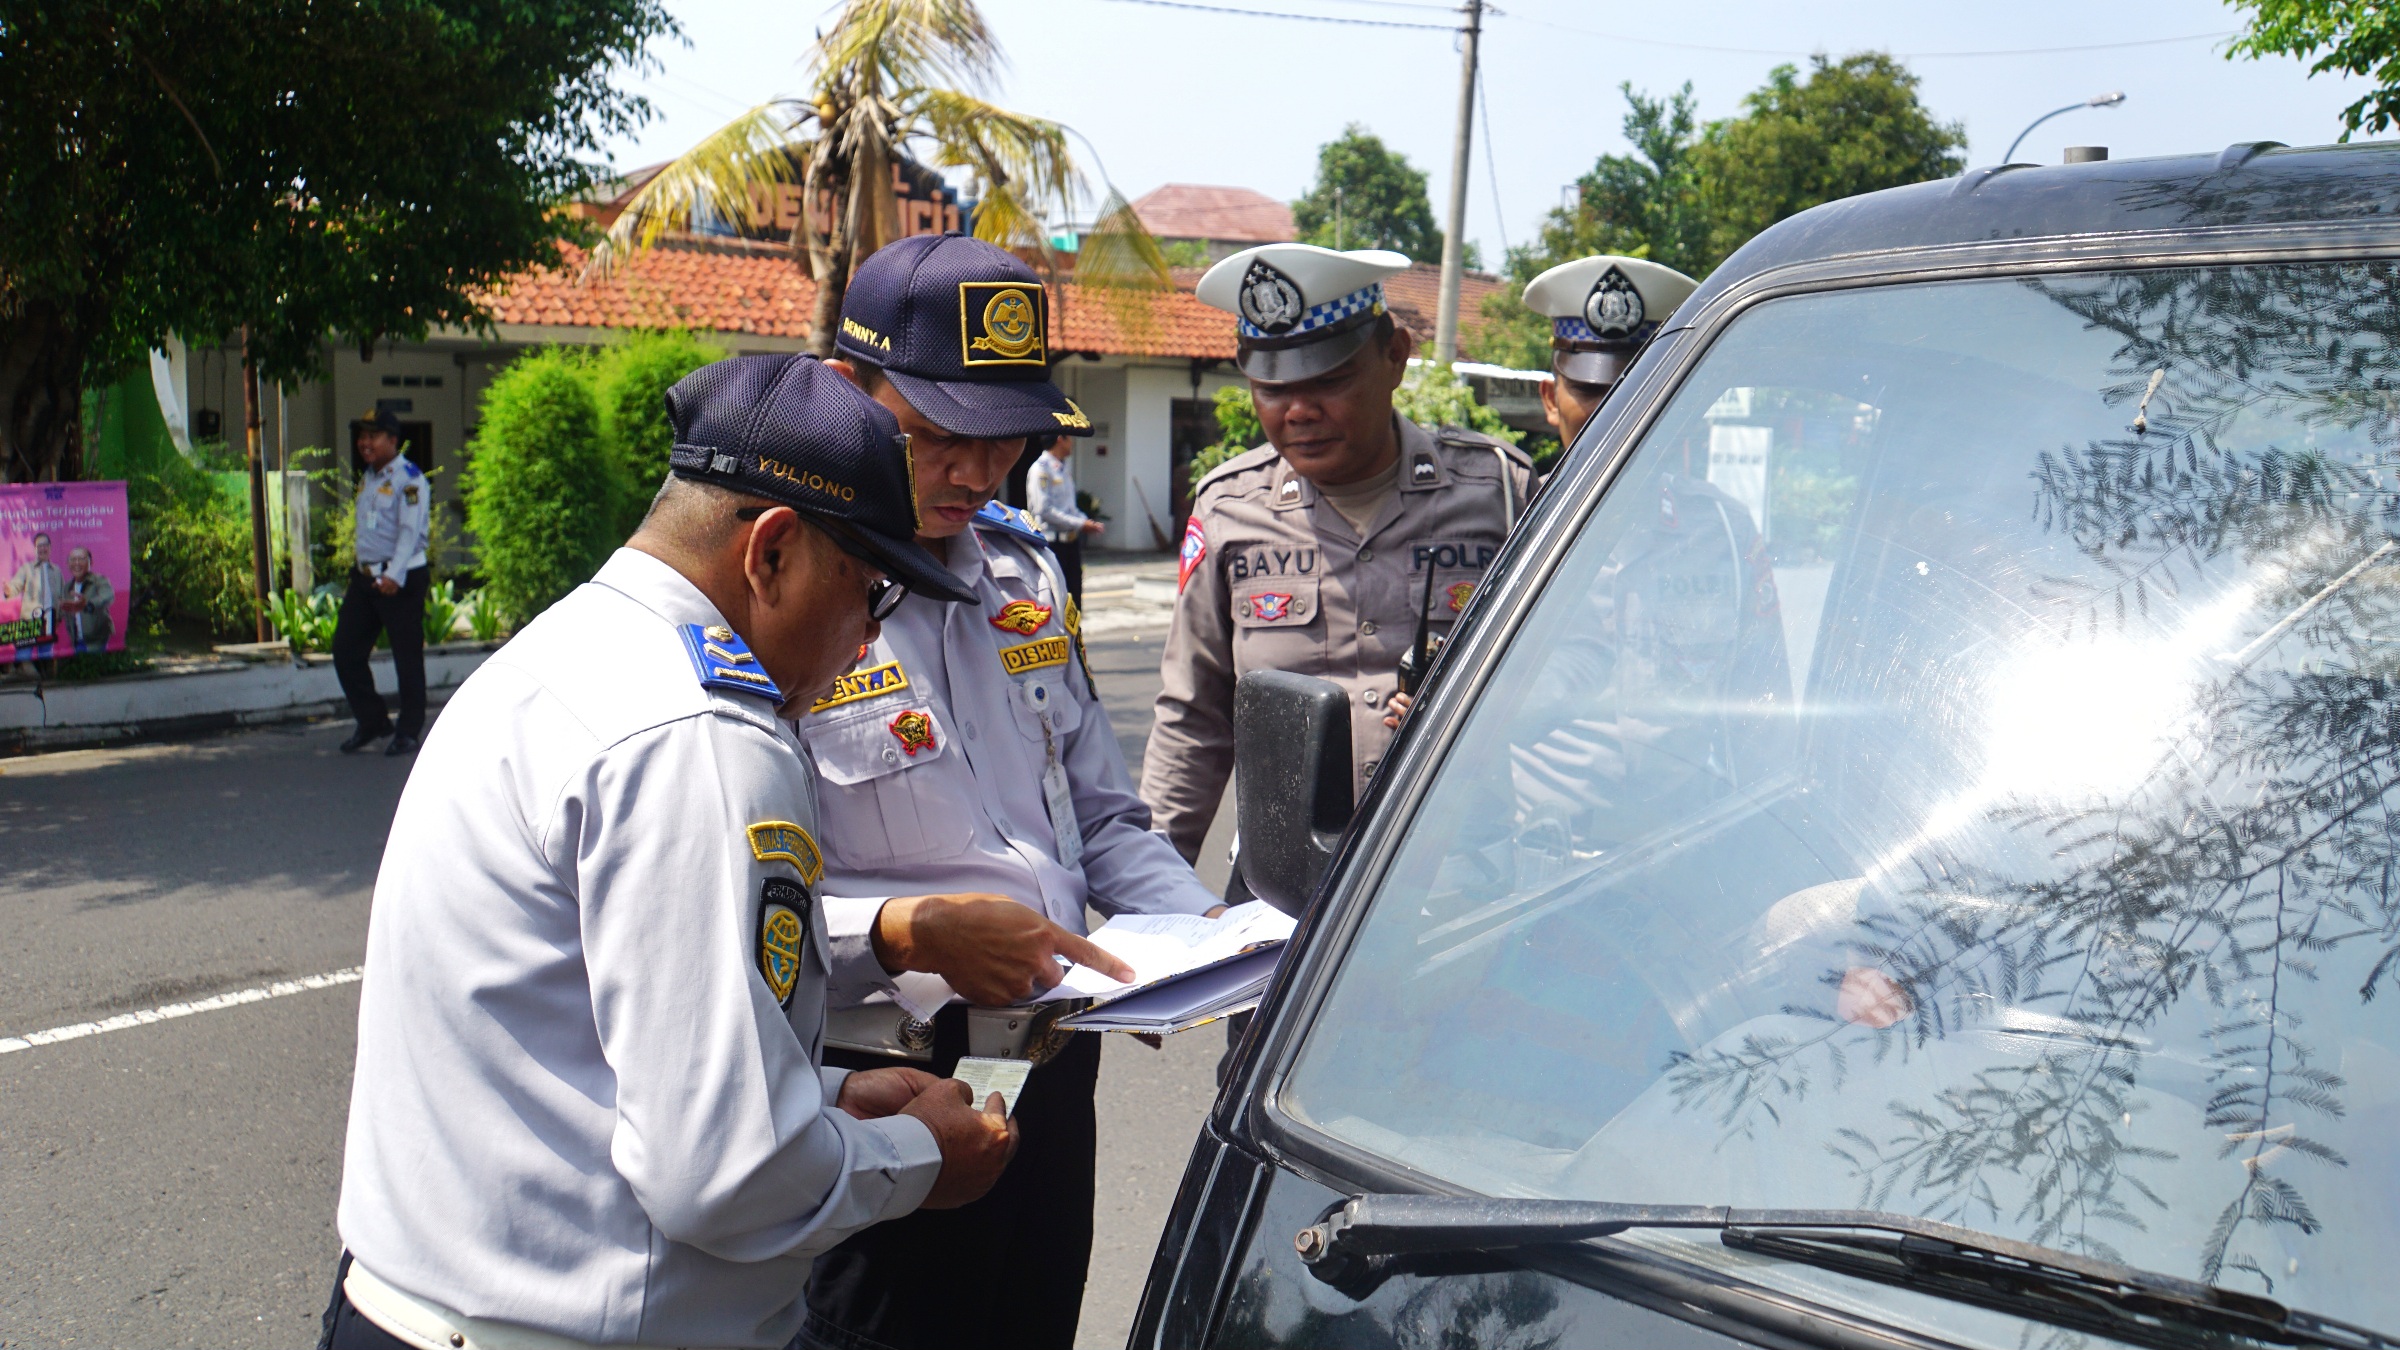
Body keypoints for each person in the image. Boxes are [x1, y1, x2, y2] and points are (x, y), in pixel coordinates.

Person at [327, 354, 1133, 1350]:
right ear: (774, 552)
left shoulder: (556, 658)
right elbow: (725, 1173)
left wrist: (837, 1095)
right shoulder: (706, 742)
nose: (863, 641)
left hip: (412, 1301)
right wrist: (922, 1159)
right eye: (870, 591)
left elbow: (602, 1052)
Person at [795, 232, 1223, 1350]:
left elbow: (1100, 815)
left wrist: (1199, 945)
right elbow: (719, 901)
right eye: (935, 435)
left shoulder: (1021, 573)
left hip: (1046, 1065)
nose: (976, 475)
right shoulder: (783, 593)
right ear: (848, 393)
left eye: (1006, 441)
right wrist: (901, 934)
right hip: (883, 1086)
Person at [1143, 243, 1536, 895]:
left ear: (1395, 358)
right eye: (1273, 388)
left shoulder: (1497, 493)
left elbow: (1566, 674)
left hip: (1455, 879)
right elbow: (1193, 715)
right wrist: (1156, 895)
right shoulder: (1228, 511)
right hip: (1283, 891)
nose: (1298, 412)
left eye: (1328, 381)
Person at [1520, 254, 1698, 452]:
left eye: (1634, 390)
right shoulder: (1518, 483)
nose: (1610, 411)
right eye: (1588, 390)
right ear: (1551, 400)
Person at [332, 409, 431, 756]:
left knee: (406, 657)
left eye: (373, 436)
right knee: (345, 651)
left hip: (400, 579)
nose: (364, 443)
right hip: (366, 580)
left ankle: (408, 730)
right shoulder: (371, 477)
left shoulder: (410, 479)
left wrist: (394, 575)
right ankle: (372, 720)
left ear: (392, 440)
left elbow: (409, 533)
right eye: (362, 436)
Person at [1025, 435, 1102, 601]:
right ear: (1060, 439)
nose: (1072, 443)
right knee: (1055, 598)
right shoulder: (1042, 469)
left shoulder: (1062, 468)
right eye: (1070, 439)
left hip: (1070, 543)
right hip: (1052, 544)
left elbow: (1070, 508)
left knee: (1073, 598)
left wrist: (1085, 521)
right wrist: (1080, 524)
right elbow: (1043, 509)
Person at [8, 530, 61, 665]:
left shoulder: (57, 571)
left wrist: (59, 618)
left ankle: (46, 683)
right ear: (34, 549)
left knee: (46, 658)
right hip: (29, 622)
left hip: (49, 622)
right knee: (23, 658)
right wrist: (9, 590)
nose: (42, 548)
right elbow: (15, 586)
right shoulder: (26, 568)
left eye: (45, 545)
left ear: (50, 547)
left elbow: (61, 596)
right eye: (39, 545)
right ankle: (22, 683)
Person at [58, 546, 113, 653]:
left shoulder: (99, 580)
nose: (77, 563)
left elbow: (107, 596)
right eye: (73, 560)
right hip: (76, 643)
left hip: (97, 642)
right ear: (68, 564)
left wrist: (88, 604)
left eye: (81, 559)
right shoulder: (67, 587)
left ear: (90, 562)